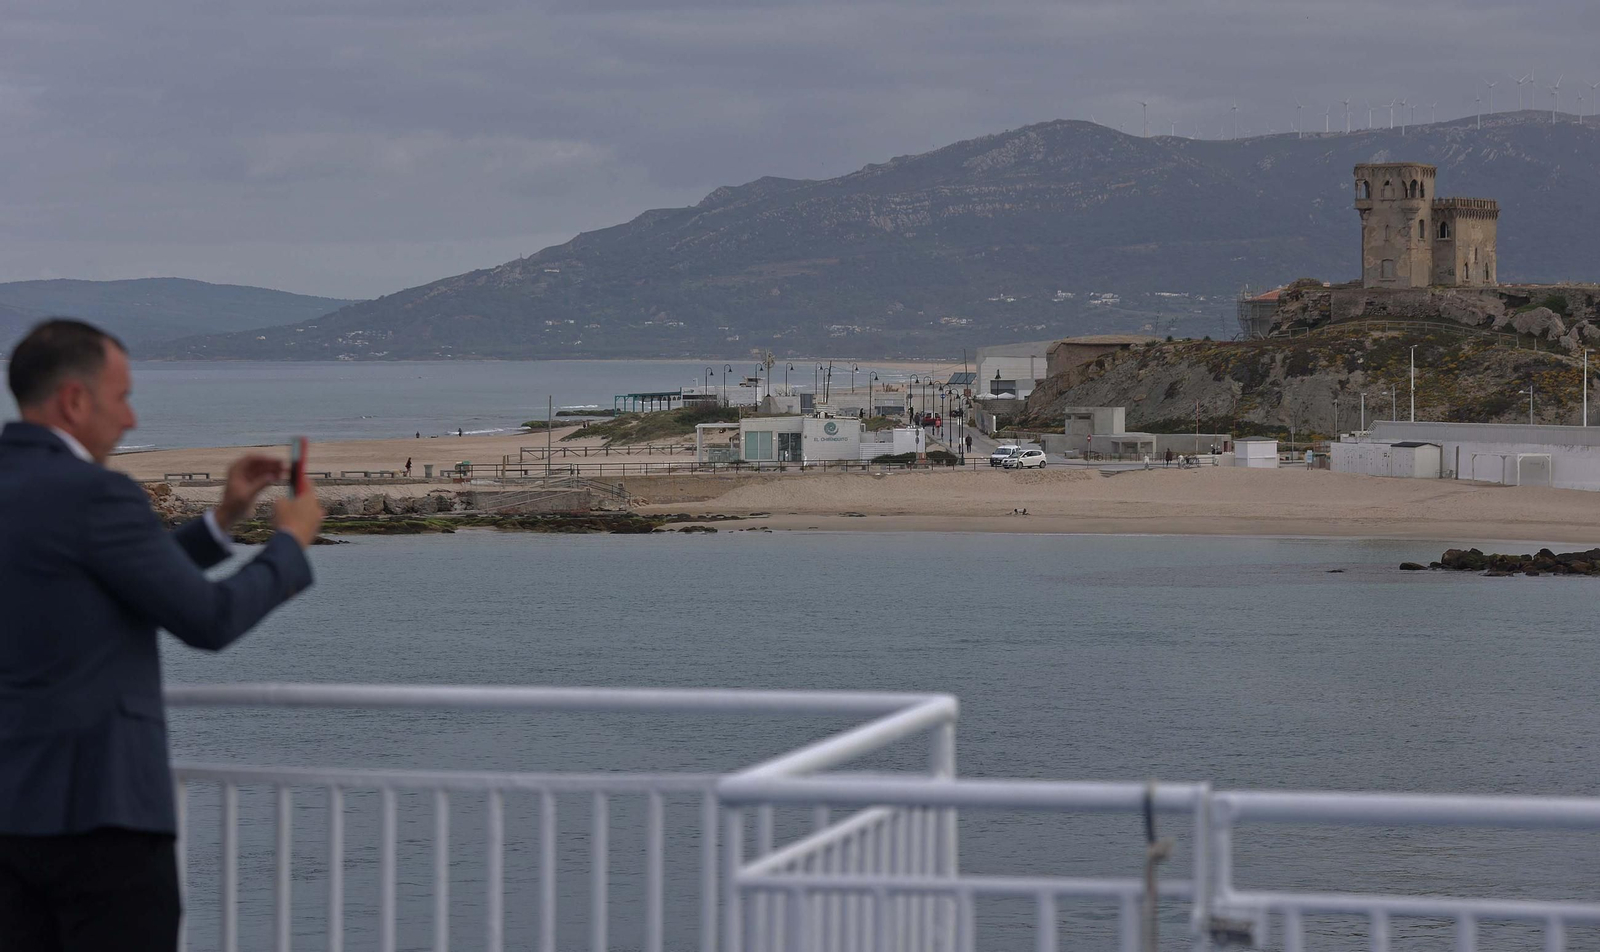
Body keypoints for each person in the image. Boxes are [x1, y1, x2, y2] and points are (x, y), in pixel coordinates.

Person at [0, 319, 325, 950]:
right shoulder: (96, 495)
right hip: (98, 816)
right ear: (74, 400)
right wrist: (289, 544)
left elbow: (102, 580)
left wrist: (223, 519)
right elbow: (208, 619)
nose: (132, 421)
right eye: (122, 398)